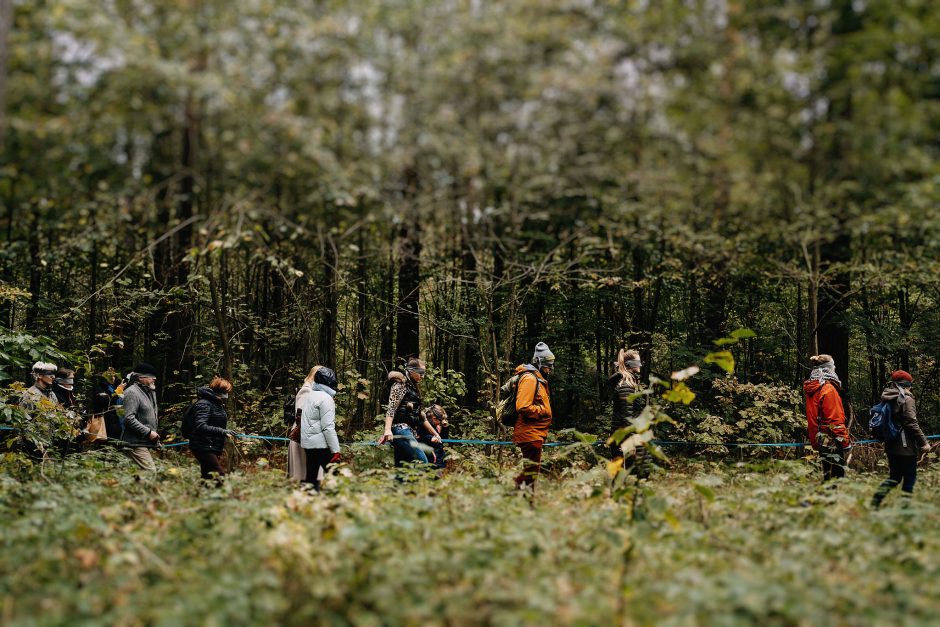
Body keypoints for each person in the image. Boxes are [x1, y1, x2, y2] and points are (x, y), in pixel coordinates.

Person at [871, 370, 932, 508]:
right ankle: (905, 509)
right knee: (909, 477)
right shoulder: (907, 398)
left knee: (895, 477)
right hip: (905, 446)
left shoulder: (888, 396)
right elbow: (911, 422)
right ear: (907, 385)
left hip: (891, 442)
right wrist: (924, 443)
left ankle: (875, 501)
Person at [512, 342, 555, 491]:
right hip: (530, 435)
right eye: (547, 366)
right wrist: (543, 410)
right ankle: (514, 499)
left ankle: (523, 501)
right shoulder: (530, 379)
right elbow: (523, 406)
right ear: (539, 362)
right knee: (529, 475)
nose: (549, 369)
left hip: (535, 434)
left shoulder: (538, 379)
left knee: (531, 474)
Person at [378, 358, 435, 468]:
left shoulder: (413, 388)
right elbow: (391, 408)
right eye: (421, 373)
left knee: (403, 469)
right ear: (412, 371)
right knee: (422, 462)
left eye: (424, 373)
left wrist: (435, 434)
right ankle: (422, 485)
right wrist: (387, 430)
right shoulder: (400, 385)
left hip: (409, 431)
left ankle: (400, 485)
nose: (423, 376)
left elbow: (420, 415)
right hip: (401, 430)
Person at [803, 354, 852, 483]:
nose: (835, 368)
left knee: (828, 477)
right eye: (833, 366)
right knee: (837, 479)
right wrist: (845, 443)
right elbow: (834, 419)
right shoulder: (828, 389)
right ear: (829, 369)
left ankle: (823, 501)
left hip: (821, 439)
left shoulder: (813, 388)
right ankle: (823, 502)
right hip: (832, 440)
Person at [606, 348, 650, 478]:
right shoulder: (626, 386)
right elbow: (627, 417)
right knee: (626, 477)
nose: (640, 364)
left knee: (640, 474)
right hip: (625, 438)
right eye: (638, 362)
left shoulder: (630, 384)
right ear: (631, 365)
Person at [298, 366, 341, 491]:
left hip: (308, 445)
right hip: (322, 446)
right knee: (334, 478)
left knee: (311, 478)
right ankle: (335, 505)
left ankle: (309, 504)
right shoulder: (326, 399)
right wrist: (336, 450)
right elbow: (328, 427)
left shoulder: (310, 396)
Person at [189, 377, 235, 482]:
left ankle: (198, 496)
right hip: (202, 446)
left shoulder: (217, 405)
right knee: (218, 476)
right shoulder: (204, 404)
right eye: (224, 392)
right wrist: (223, 432)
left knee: (207, 478)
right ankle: (223, 497)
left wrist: (225, 433)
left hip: (212, 446)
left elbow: (215, 424)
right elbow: (200, 426)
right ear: (218, 392)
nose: (226, 396)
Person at [119, 362, 161, 472]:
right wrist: (148, 432)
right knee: (150, 472)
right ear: (141, 378)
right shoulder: (132, 392)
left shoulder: (150, 392)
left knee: (137, 476)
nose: (154, 379)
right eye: (151, 376)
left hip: (143, 442)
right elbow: (128, 419)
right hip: (134, 443)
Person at [91, 369, 123, 439]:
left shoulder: (113, 386)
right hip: (106, 419)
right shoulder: (100, 387)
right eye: (111, 376)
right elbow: (106, 401)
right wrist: (118, 392)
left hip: (116, 418)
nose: (114, 378)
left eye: (114, 376)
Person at [419, 404, 447, 470]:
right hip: (430, 459)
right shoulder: (423, 425)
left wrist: (445, 428)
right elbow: (419, 438)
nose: (440, 422)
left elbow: (443, 440)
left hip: (439, 458)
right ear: (434, 418)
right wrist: (430, 438)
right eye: (440, 420)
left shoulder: (436, 427)